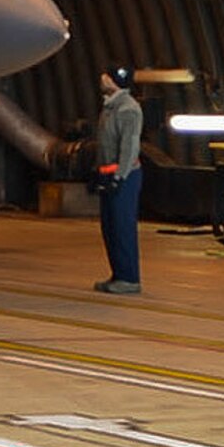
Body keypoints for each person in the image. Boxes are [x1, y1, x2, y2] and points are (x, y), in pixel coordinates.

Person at [93, 64, 143, 294]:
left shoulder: (127, 109)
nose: (102, 77)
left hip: (124, 176)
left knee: (122, 226)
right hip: (108, 173)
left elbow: (129, 146)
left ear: (113, 81)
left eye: (106, 75)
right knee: (110, 227)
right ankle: (118, 274)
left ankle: (130, 278)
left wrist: (119, 176)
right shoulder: (110, 107)